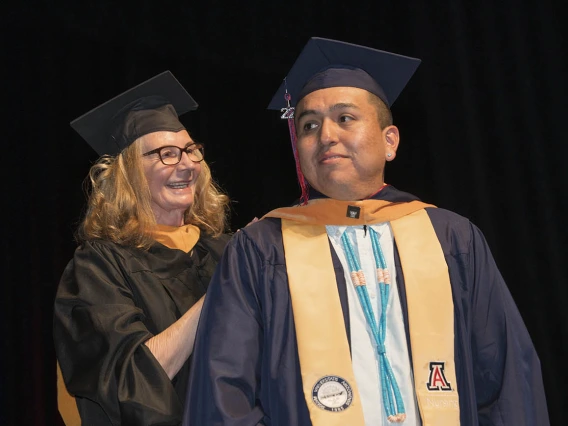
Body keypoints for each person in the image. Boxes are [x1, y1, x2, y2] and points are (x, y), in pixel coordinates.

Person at [183, 38, 549, 426]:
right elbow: (223, 394)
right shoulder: (263, 249)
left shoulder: (452, 239)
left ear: (389, 141)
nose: (325, 136)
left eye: (345, 118)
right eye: (308, 125)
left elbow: (506, 379)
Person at [53, 70, 231, 426]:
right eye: (166, 154)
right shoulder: (98, 268)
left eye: (190, 151)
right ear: (129, 174)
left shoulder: (224, 251)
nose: (186, 165)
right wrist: (227, 288)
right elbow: (131, 381)